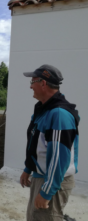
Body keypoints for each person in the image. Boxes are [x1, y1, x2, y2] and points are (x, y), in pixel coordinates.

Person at [21, 64, 80, 221]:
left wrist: (47, 192)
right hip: (42, 176)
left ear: (43, 83)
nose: (30, 86)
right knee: (35, 217)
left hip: (53, 180)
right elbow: (36, 143)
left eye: (32, 81)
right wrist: (28, 168)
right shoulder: (44, 110)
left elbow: (59, 158)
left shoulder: (59, 114)